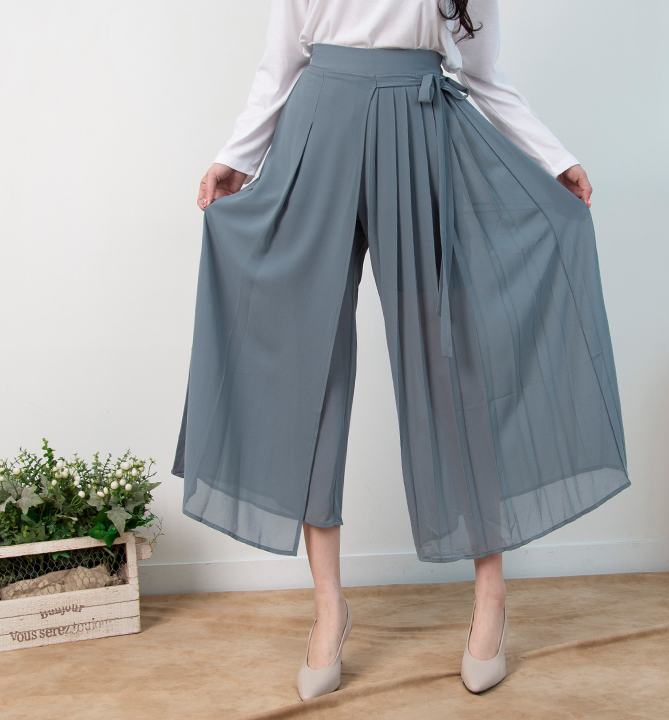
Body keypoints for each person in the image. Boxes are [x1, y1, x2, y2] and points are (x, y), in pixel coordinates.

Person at [171, 0, 631, 700]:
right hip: (317, 128)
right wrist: (237, 155)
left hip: (418, 132)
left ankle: (490, 601)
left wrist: (554, 157)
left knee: (450, 360)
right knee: (309, 366)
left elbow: (483, 73)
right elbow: (282, 62)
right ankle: (329, 608)